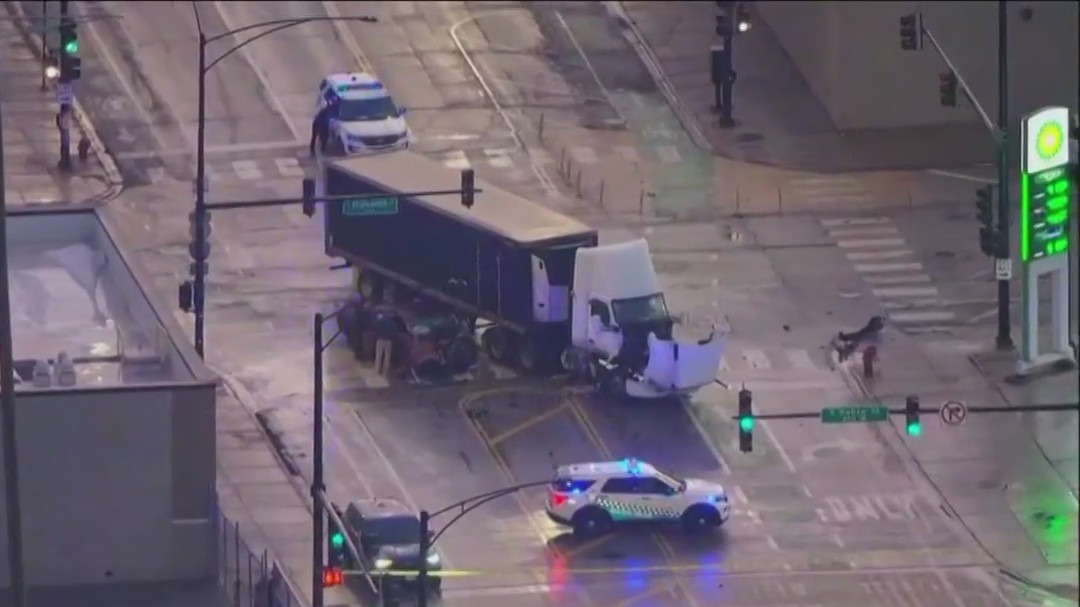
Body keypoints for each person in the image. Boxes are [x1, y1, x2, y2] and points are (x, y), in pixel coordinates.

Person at [373, 306, 400, 378]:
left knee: (378, 355)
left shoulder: (380, 320)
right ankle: (385, 371)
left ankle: (377, 370)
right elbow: (395, 331)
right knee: (387, 356)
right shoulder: (392, 322)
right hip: (388, 340)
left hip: (380, 339)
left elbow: (375, 328)